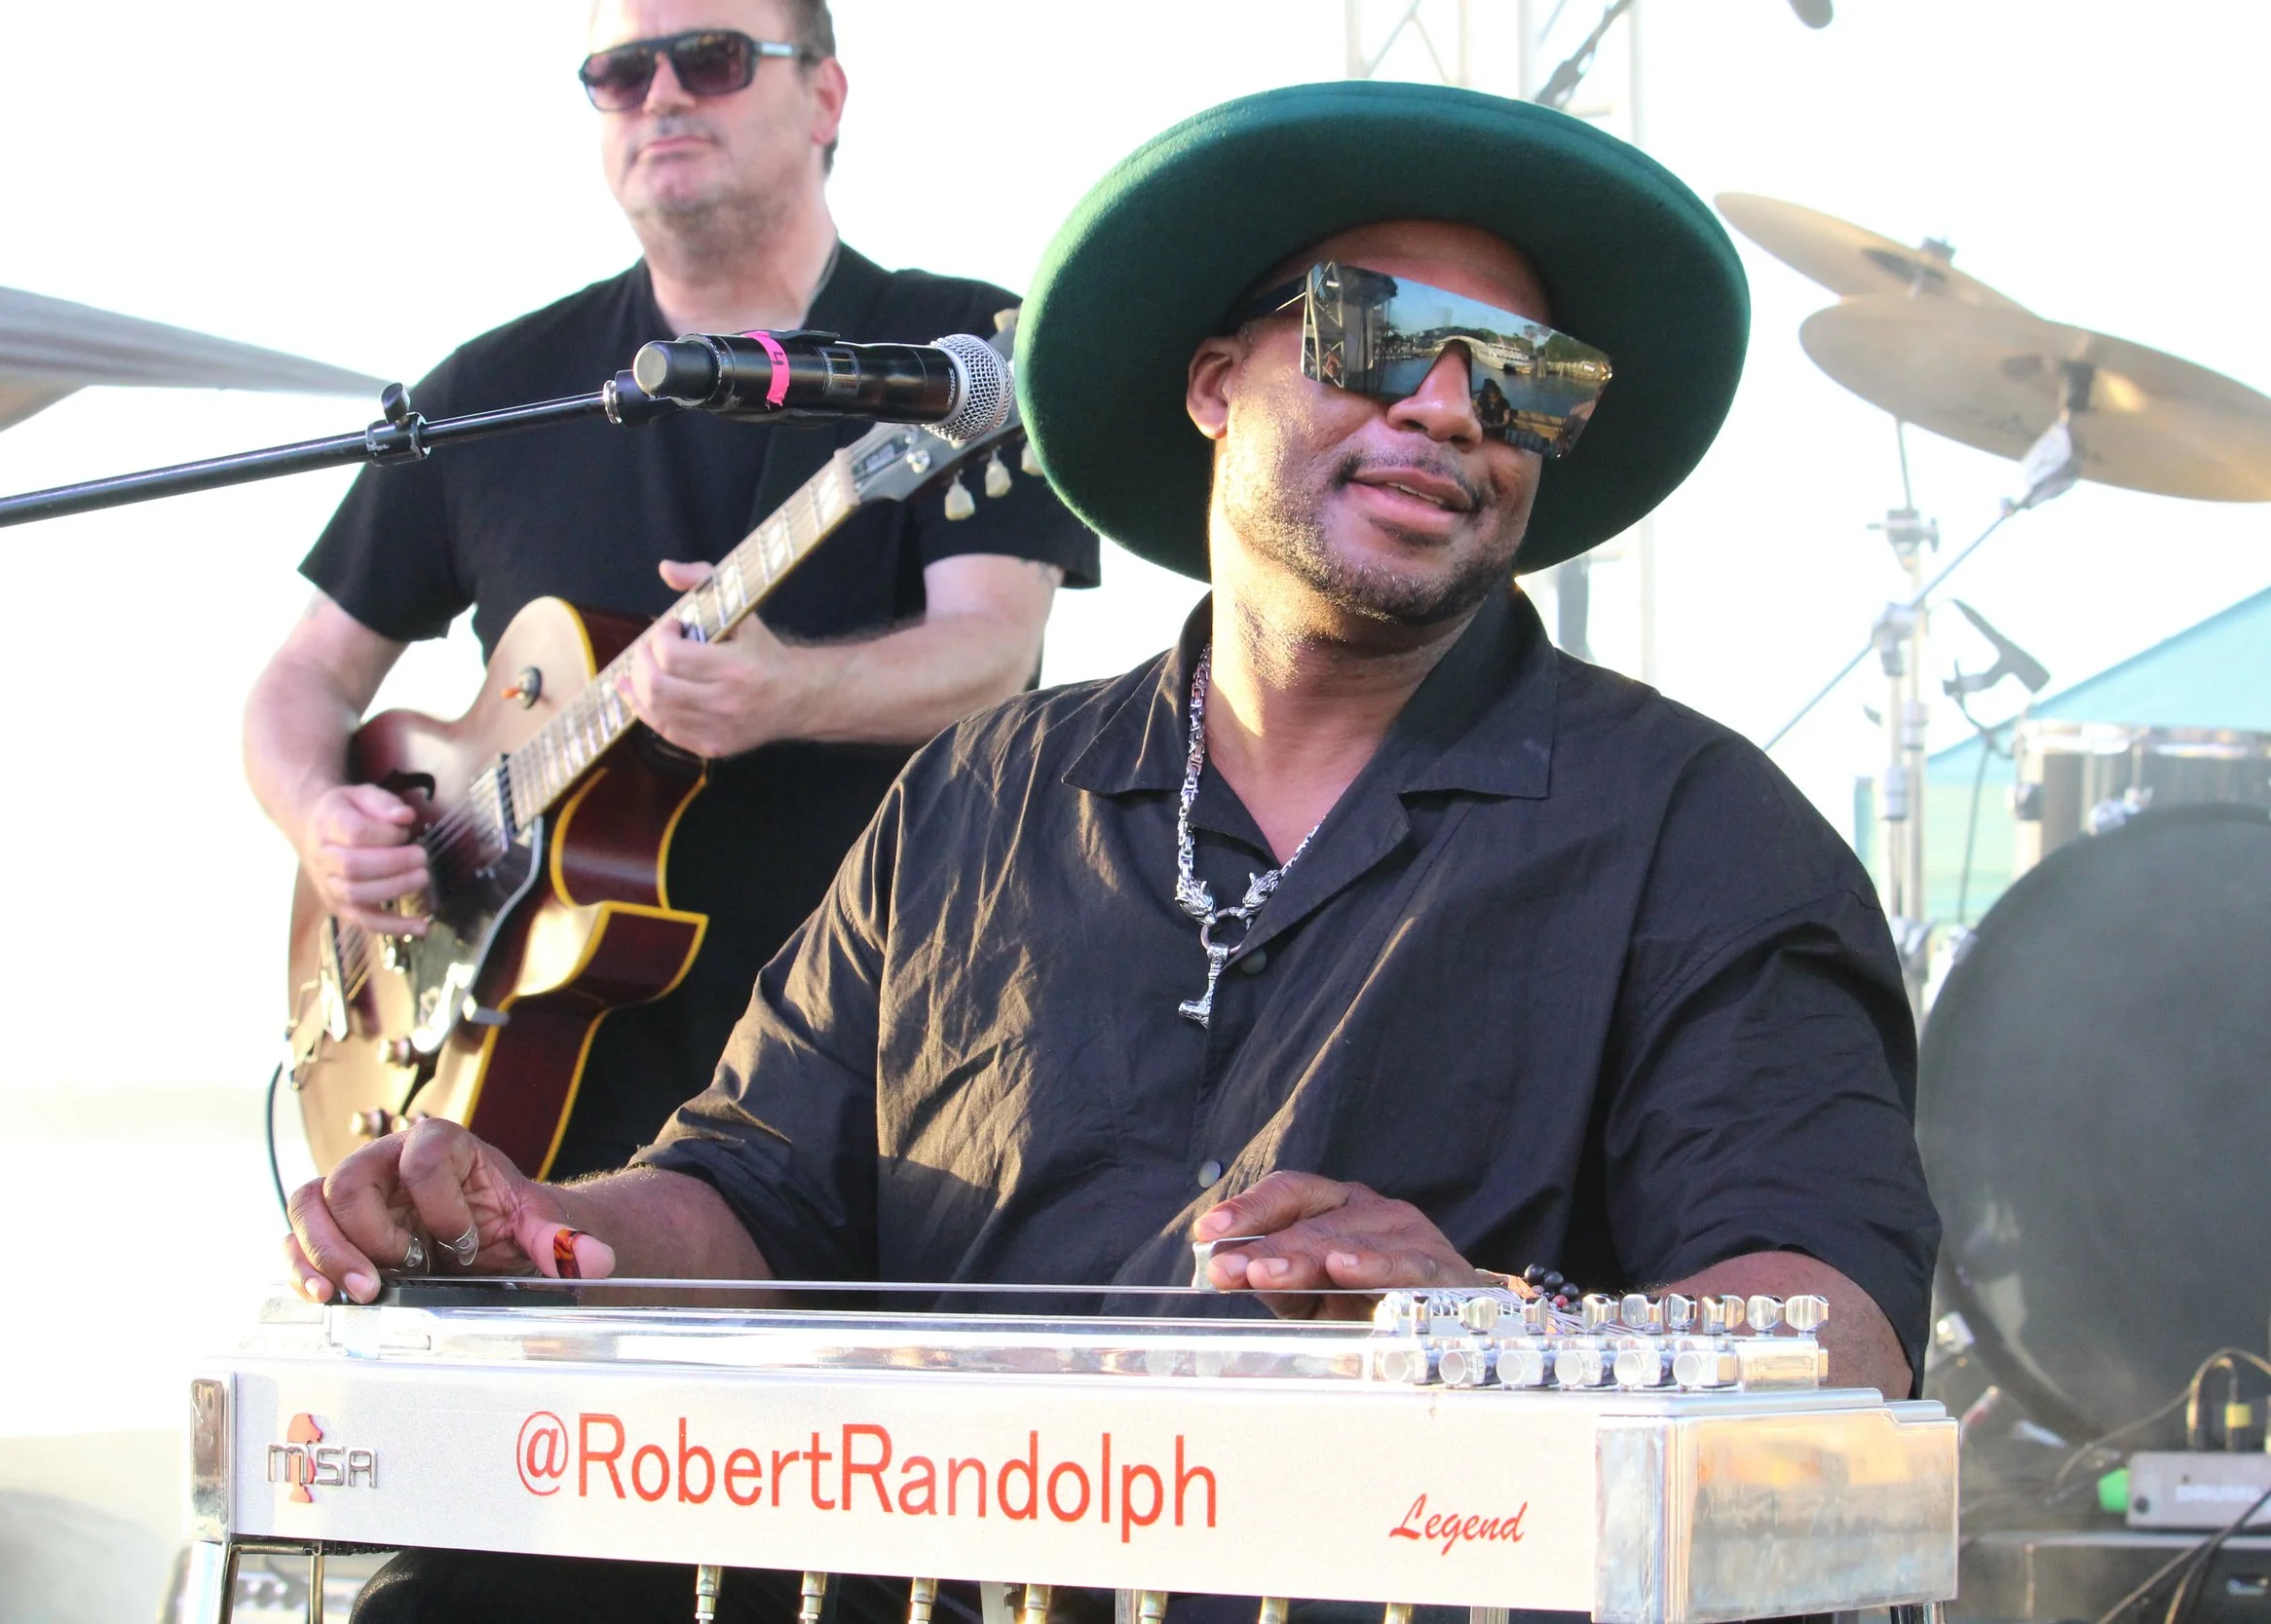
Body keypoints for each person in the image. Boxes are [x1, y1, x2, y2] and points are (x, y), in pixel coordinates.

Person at [284, 81, 1941, 1624]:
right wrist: (528, 1223)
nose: (1450, 406)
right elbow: (752, 1198)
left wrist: (1493, 1321)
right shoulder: (977, 796)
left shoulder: (1698, 831)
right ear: (1214, 383)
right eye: (1375, 332)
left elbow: (1844, 1328)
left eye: (1523, 375)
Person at [242, 0, 1097, 1177]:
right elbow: (304, 675)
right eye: (619, 72)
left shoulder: (951, 354)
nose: (661, 96)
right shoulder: (494, 392)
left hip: (885, 1087)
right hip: (531, 1108)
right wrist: (320, 819)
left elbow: (993, 651)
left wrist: (789, 693)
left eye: (712, 59)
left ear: (826, 98)